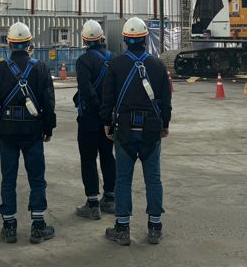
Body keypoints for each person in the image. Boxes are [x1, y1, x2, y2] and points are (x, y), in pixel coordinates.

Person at [101, 17, 172, 246]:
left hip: (125, 131)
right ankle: (154, 227)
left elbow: (108, 98)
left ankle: (122, 228)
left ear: (125, 39)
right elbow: (165, 100)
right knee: (153, 179)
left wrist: (107, 123)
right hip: (151, 129)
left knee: (123, 180)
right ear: (144, 39)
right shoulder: (158, 65)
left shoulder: (116, 64)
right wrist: (165, 124)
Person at [0, 22, 56, 244]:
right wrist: (48, 128)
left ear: (10, 44)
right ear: (29, 44)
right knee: (36, 178)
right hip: (32, 131)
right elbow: (48, 102)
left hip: (6, 131)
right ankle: (38, 225)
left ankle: (9, 226)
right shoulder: (40, 68)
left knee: (9, 178)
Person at [73, 19, 116, 220]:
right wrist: (107, 113)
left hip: (90, 119)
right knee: (108, 157)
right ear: (101, 38)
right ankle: (110, 199)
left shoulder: (83, 61)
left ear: (84, 40)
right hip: (108, 119)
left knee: (89, 159)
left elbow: (86, 90)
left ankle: (92, 204)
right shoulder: (111, 58)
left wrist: (96, 109)